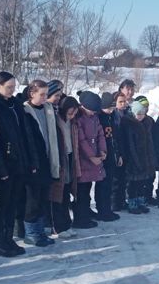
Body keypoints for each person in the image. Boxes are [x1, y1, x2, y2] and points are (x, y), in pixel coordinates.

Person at [0, 71, 32, 257]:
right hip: (4, 162)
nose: (12, 90)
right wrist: (0, 167)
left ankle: (8, 238)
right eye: (8, 87)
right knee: (3, 203)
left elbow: (23, 134)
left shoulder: (15, 105)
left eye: (14, 87)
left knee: (13, 202)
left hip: (18, 160)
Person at [20, 80, 56, 246]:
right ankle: (31, 232)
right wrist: (30, 163)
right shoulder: (25, 111)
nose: (45, 97)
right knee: (32, 199)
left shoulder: (48, 109)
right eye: (41, 94)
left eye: (46, 94)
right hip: (33, 162)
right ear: (31, 93)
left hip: (47, 159)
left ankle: (40, 231)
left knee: (43, 197)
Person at [74, 92, 106, 228]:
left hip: (94, 159)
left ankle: (86, 213)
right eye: (91, 110)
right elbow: (81, 140)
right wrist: (91, 156)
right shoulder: (79, 118)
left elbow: (100, 134)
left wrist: (103, 151)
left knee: (87, 189)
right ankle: (80, 218)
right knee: (81, 192)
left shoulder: (94, 118)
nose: (93, 113)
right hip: (83, 160)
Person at [52, 96, 79, 237]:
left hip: (70, 157)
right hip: (59, 158)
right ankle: (58, 226)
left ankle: (67, 224)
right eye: (70, 113)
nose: (72, 116)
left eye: (74, 113)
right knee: (59, 193)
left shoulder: (73, 122)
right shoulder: (56, 121)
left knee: (68, 189)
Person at [119, 100, 154, 214]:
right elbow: (130, 145)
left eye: (142, 114)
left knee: (141, 183)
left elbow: (149, 143)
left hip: (145, 158)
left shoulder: (146, 123)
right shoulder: (130, 125)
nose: (141, 116)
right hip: (134, 160)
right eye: (138, 114)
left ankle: (140, 201)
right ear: (133, 114)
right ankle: (132, 202)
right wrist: (135, 161)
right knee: (133, 184)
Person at [95, 92, 121, 221]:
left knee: (109, 184)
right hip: (102, 157)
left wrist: (119, 155)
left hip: (112, 156)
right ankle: (102, 210)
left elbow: (116, 138)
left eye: (112, 108)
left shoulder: (112, 117)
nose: (110, 110)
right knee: (102, 185)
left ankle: (107, 209)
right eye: (108, 108)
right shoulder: (99, 118)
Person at [111, 91, 129, 211]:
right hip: (117, 151)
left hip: (127, 149)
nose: (123, 104)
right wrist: (118, 154)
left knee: (124, 178)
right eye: (120, 102)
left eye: (124, 101)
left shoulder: (127, 114)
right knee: (115, 179)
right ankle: (114, 203)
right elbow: (115, 137)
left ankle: (122, 200)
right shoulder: (114, 117)